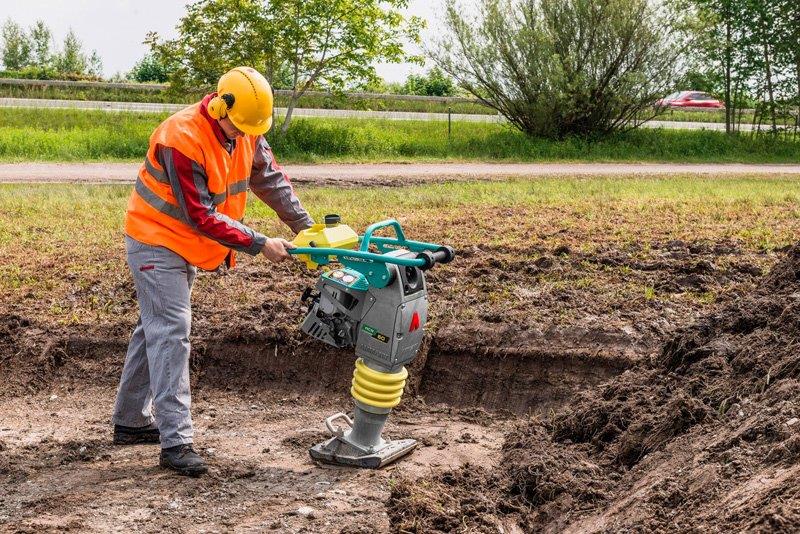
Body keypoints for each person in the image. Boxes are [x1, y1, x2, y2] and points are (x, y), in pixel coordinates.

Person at [110, 66, 313, 477]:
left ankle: (131, 420)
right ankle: (177, 442)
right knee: (171, 331)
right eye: (237, 127)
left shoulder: (248, 128)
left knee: (156, 327)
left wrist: (307, 228)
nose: (242, 135)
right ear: (219, 104)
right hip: (156, 238)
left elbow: (270, 180)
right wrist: (259, 243)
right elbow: (200, 213)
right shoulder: (180, 138)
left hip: (189, 243)